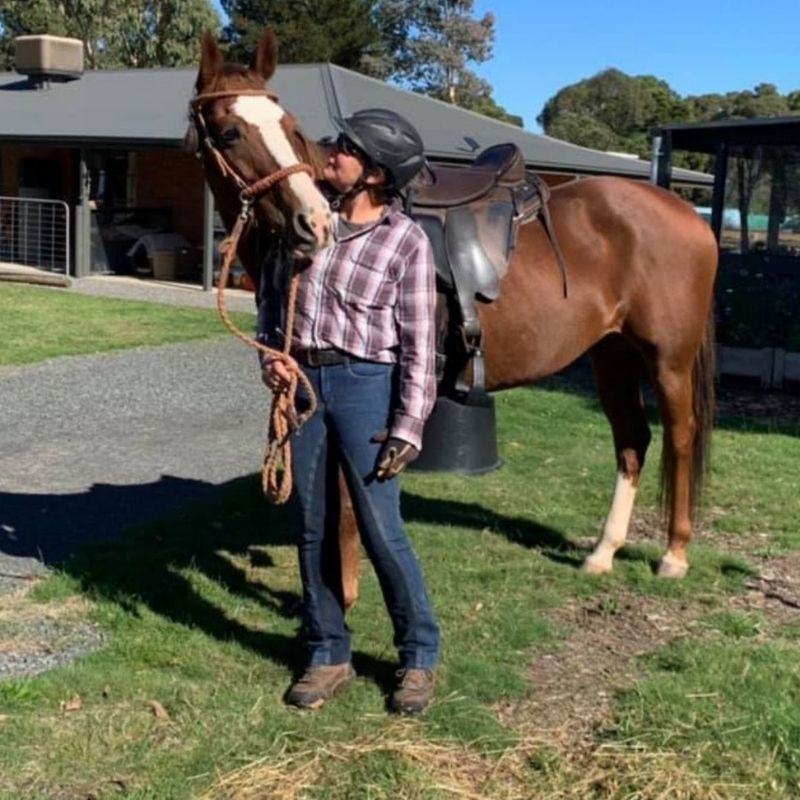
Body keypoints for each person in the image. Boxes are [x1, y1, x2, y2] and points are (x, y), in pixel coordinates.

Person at [258, 108, 440, 714]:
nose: (329, 151)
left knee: (381, 528)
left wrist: (408, 428)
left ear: (376, 174)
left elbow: (420, 346)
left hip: (368, 384)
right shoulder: (307, 222)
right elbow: (270, 299)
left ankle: (418, 657)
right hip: (305, 383)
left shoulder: (405, 241)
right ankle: (328, 652)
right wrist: (272, 361)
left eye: (345, 147)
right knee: (313, 527)